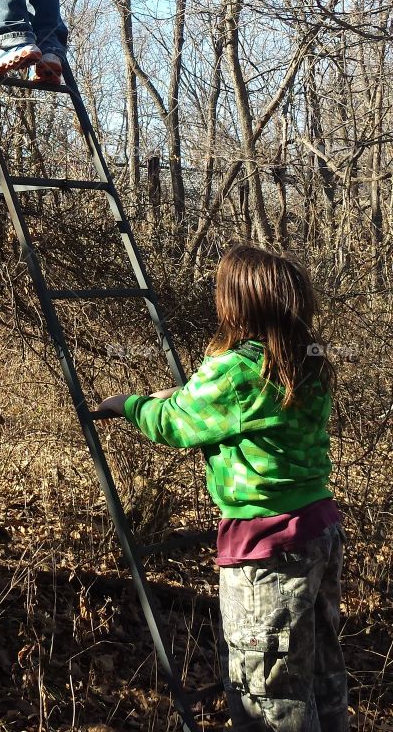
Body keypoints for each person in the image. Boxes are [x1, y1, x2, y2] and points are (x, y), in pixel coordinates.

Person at [96, 244, 348, 731]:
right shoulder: (308, 359)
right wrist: (184, 394)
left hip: (267, 548)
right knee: (321, 676)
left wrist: (129, 403)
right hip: (319, 530)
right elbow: (240, 408)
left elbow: (174, 423)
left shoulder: (235, 370)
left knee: (269, 697)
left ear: (238, 304)